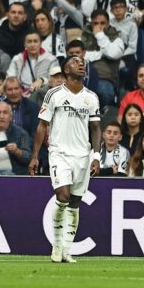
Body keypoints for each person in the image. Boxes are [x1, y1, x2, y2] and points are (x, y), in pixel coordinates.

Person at [28, 55, 101, 263]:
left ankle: (67, 250)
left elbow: (95, 128)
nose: (81, 64)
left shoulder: (91, 97)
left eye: (82, 62)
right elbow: (42, 125)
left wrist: (96, 156)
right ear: (66, 70)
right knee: (63, 196)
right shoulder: (54, 95)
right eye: (76, 62)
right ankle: (57, 246)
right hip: (59, 153)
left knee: (75, 202)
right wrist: (35, 156)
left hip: (82, 155)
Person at [0, 101, 32, 175]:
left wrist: (17, 151)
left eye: (5, 113)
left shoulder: (21, 133)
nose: (1, 116)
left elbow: (28, 158)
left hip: (12, 174)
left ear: (11, 117)